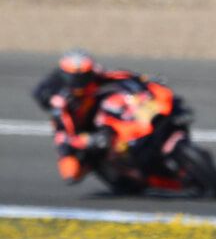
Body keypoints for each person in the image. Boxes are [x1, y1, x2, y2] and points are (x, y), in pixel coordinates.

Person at [33, 49, 174, 184]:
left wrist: (145, 80)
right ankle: (99, 164)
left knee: (127, 100)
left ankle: (145, 134)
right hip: (85, 131)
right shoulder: (60, 98)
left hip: (108, 119)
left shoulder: (96, 76)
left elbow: (119, 76)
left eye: (84, 76)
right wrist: (82, 143)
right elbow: (62, 138)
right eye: (76, 78)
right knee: (73, 171)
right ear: (65, 76)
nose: (80, 82)